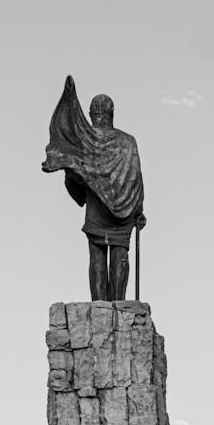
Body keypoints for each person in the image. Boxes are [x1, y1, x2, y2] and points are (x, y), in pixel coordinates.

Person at [42, 76, 146, 301]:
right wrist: (138, 209)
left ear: (91, 114)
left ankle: (99, 304)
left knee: (97, 255)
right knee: (120, 251)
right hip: (124, 208)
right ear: (112, 114)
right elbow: (135, 178)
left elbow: (73, 175)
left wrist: (76, 178)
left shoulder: (84, 141)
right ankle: (119, 302)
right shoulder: (128, 141)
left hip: (96, 207)